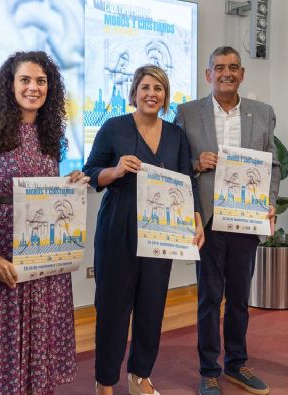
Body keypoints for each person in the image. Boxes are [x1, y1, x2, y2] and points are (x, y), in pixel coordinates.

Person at [0, 51, 87, 394]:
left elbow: (45, 193)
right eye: (25, 80)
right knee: (1, 338)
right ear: (10, 85)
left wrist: (69, 184)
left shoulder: (50, 132)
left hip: (42, 256)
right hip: (1, 247)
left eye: (41, 81)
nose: (34, 88)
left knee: (39, 337)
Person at [84, 64, 205, 395]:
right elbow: (91, 172)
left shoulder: (176, 135)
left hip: (161, 234)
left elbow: (186, 180)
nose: (152, 94)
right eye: (146, 87)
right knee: (112, 309)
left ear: (166, 97)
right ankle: (105, 381)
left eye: (159, 89)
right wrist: (117, 169)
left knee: (152, 306)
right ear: (134, 92)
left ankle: (140, 376)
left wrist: (195, 218)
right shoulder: (114, 127)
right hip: (118, 230)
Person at [175, 46, 280, 395]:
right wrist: (195, 162)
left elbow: (273, 166)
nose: (226, 73)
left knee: (238, 297)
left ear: (242, 74)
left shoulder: (263, 114)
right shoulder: (187, 113)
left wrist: (267, 202)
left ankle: (237, 364)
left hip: (246, 219)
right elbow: (176, 163)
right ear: (208, 74)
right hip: (207, 218)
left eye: (233, 67)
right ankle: (209, 370)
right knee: (209, 296)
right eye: (219, 67)